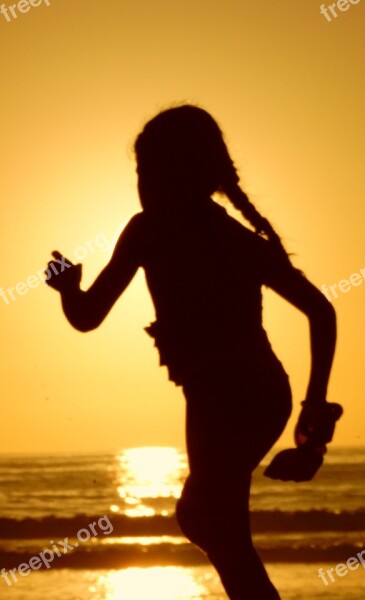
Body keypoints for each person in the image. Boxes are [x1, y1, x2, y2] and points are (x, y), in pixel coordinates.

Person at [44, 105, 337, 599]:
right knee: (209, 521)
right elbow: (321, 312)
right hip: (250, 394)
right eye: (138, 173)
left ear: (182, 173)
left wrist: (67, 289)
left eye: (148, 171)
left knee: (214, 524)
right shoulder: (196, 235)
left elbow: (87, 317)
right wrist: (311, 412)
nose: (142, 183)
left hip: (231, 395)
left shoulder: (160, 232)